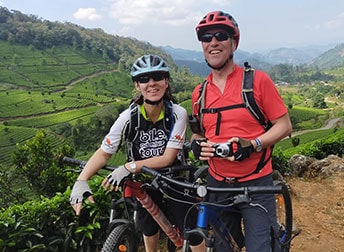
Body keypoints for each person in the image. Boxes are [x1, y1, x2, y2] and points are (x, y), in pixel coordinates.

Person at [69, 54, 204, 252]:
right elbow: (105, 152)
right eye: (144, 79)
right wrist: (81, 181)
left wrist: (129, 166)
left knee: (191, 229)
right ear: (137, 85)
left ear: (166, 82)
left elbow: (168, 158)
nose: (152, 84)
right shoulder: (128, 118)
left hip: (176, 176)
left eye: (157, 77)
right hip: (144, 180)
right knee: (148, 228)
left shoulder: (177, 113)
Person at [190, 11, 292, 251]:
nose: (213, 42)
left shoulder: (257, 81)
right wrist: (197, 144)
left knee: (261, 246)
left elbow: (284, 125)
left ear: (233, 42)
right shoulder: (199, 93)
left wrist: (252, 144)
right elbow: (199, 134)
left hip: (257, 183)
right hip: (217, 184)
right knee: (224, 247)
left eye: (221, 36)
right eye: (206, 38)